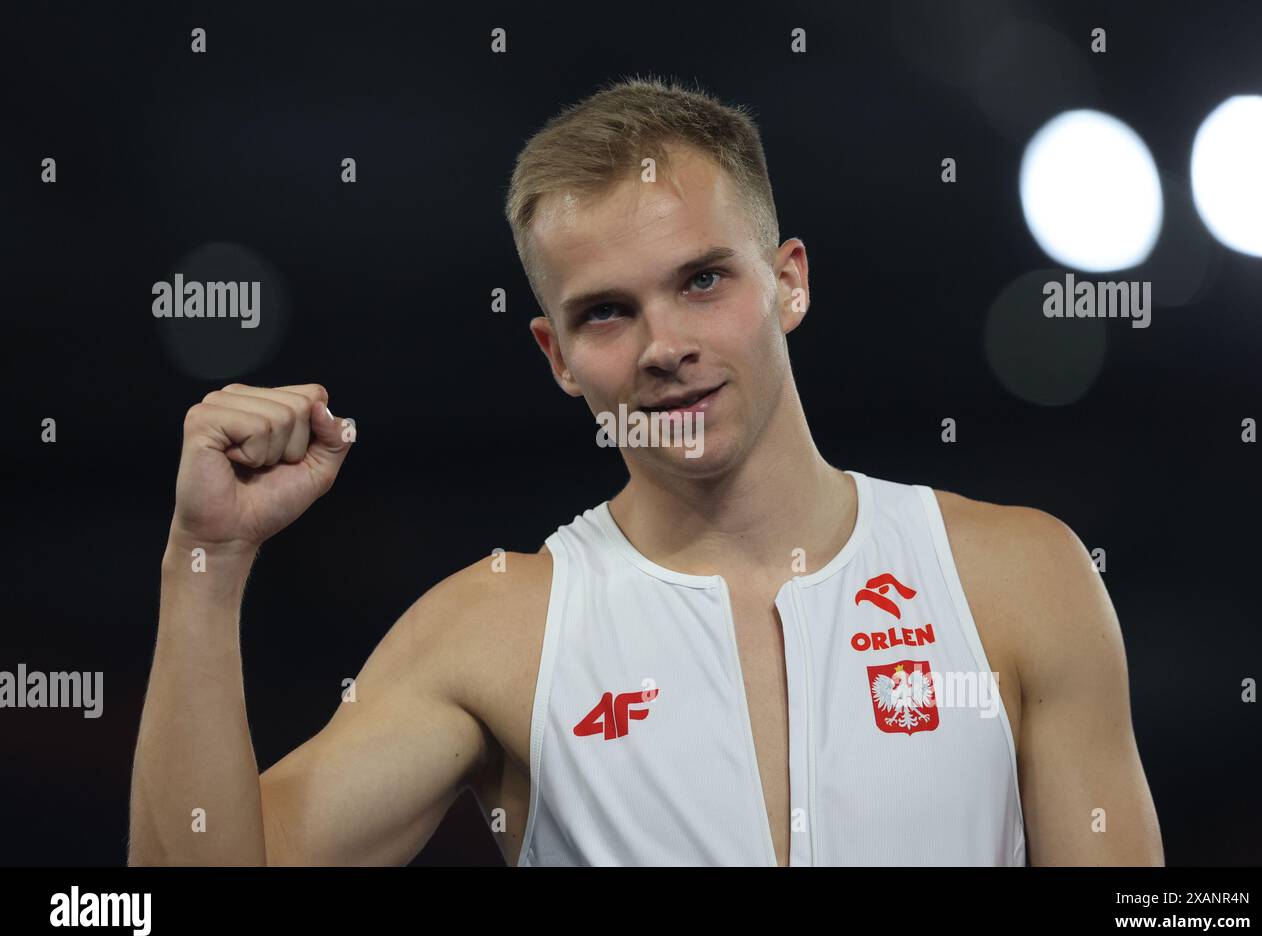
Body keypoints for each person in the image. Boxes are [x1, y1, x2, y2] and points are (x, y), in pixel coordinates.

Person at [128, 75, 1163, 866]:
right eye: (608, 311)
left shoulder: (1019, 577)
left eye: (702, 279)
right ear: (557, 356)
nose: (663, 342)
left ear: (787, 281)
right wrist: (205, 559)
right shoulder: (495, 630)